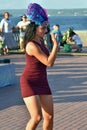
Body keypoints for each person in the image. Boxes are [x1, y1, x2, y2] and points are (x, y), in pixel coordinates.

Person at [20, 3, 58, 130]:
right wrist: (56, 46)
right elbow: (49, 62)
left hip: (42, 81)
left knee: (49, 116)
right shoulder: (31, 45)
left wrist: (53, 48)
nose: (44, 31)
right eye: (42, 28)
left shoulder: (40, 41)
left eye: (45, 28)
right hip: (29, 81)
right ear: (34, 28)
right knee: (36, 117)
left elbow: (49, 60)